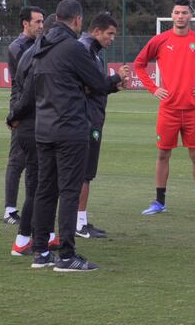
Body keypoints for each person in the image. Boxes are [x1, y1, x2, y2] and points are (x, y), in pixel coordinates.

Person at [29, 0, 128, 272]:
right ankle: (67, 255)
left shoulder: (40, 44)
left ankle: (40, 252)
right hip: (70, 128)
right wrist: (116, 80)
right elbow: (97, 84)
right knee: (69, 192)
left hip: (44, 127)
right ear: (77, 20)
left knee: (45, 191)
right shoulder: (73, 48)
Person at [133, 0, 195, 216]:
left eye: (184, 13)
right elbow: (139, 64)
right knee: (163, 154)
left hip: (192, 110)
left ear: (190, 16)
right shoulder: (161, 40)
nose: (180, 16)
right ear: (171, 16)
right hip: (168, 110)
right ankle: (159, 202)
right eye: (176, 13)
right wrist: (154, 89)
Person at [6, 13, 58, 256]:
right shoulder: (35, 55)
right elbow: (27, 94)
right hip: (34, 126)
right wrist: (13, 116)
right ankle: (24, 240)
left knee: (40, 186)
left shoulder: (30, 54)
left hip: (29, 125)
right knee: (39, 187)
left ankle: (42, 235)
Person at [76, 13, 122, 238]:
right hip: (86, 119)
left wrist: (111, 86)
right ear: (96, 31)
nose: (112, 38)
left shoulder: (92, 51)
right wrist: (113, 80)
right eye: (109, 33)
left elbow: (95, 87)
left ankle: (79, 221)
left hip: (90, 117)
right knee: (84, 173)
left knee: (84, 173)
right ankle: (78, 223)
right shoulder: (84, 50)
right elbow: (89, 85)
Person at [3, 6, 45, 224]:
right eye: (37, 22)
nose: (41, 26)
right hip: (21, 104)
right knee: (17, 159)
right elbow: (28, 77)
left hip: (39, 106)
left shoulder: (40, 43)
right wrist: (15, 113)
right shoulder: (17, 47)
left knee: (36, 160)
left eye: (42, 22)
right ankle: (9, 210)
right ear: (25, 24)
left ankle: (34, 206)